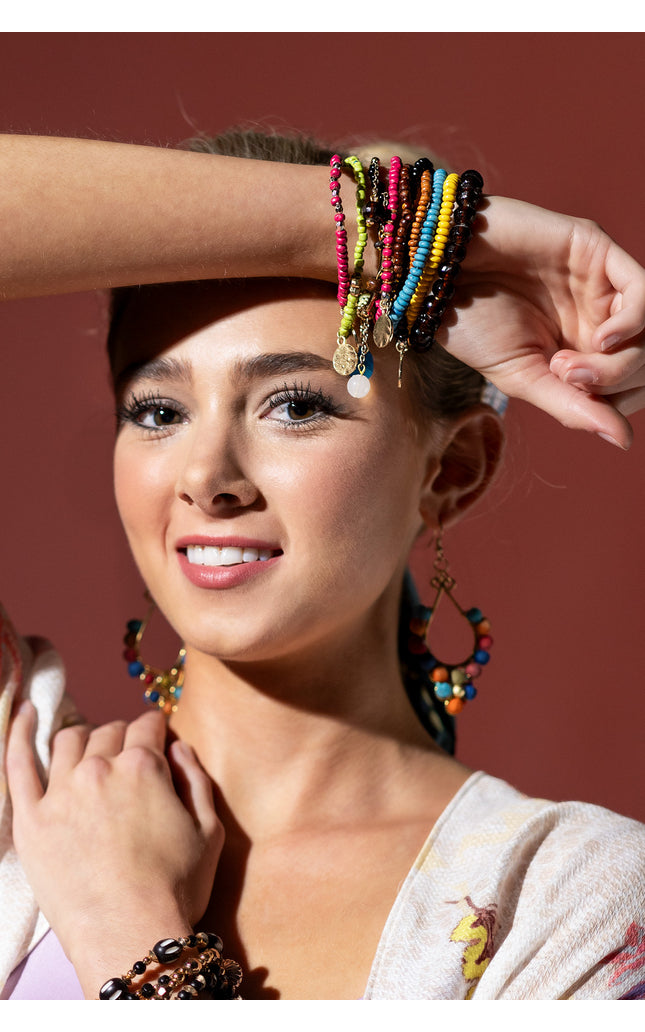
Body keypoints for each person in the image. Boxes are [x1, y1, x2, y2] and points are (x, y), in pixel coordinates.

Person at [0, 128, 644, 1001]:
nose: (205, 478)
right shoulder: (18, 782)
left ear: (451, 471)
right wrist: (364, 228)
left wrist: (133, 936)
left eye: (295, 404)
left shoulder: (568, 903)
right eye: (156, 411)